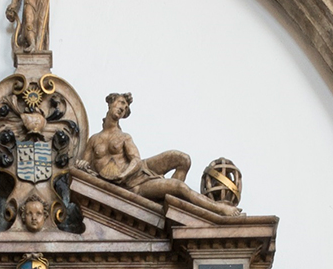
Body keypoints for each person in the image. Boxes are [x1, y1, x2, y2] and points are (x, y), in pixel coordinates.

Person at [75, 92, 241, 216]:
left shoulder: (124, 137)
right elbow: (83, 168)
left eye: (125, 108)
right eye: (120, 103)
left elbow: (136, 161)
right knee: (178, 187)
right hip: (133, 187)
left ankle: (169, 204)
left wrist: (124, 173)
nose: (122, 108)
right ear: (111, 103)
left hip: (136, 172)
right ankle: (219, 208)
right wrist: (82, 165)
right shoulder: (93, 140)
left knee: (182, 159)